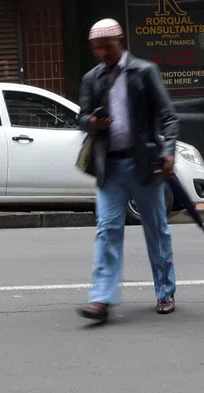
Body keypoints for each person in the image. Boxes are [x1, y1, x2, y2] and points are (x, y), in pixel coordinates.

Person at [76, 19, 178, 323]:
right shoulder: (91, 78)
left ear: (121, 41)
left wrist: (169, 152)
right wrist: (93, 123)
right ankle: (101, 299)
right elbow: (80, 117)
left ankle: (165, 292)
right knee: (107, 229)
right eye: (97, 48)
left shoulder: (144, 72)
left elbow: (169, 117)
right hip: (109, 165)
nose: (103, 52)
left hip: (144, 164)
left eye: (107, 46)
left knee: (156, 228)